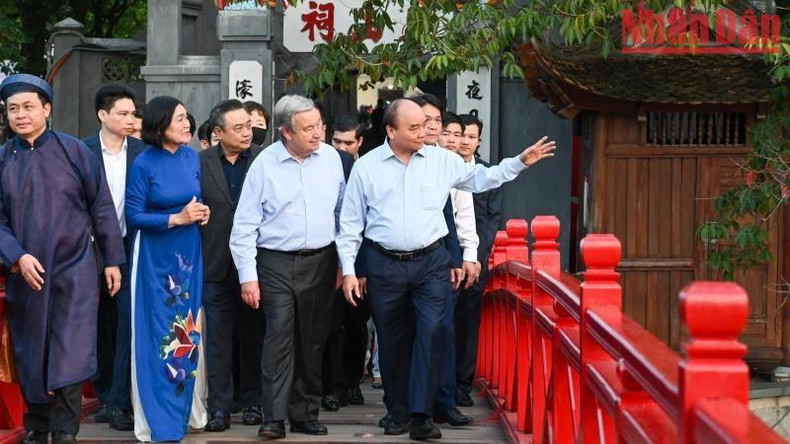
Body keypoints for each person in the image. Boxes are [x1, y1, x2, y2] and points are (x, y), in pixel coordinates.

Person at [337, 98, 556, 440]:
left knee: (432, 332)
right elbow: (351, 222)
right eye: (414, 127)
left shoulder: (442, 160)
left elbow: (483, 178)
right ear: (391, 130)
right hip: (384, 263)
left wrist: (519, 163)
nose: (424, 131)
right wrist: (349, 269)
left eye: (425, 125)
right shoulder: (366, 167)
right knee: (392, 340)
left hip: (431, 262)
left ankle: (422, 414)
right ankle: (397, 411)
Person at [0, 74, 125, 444]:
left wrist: (112, 260)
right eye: (12, 109)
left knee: (72, 347)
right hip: (27, 273)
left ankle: (65, 430)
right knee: (31, 350)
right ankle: (37, 424)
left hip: (75, 268)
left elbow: (101, 206)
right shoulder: (3, 159)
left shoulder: (74, 151)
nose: (21, 115)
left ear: (47, 109)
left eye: (28, 107)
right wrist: (17, 256)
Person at [230, 94, 346, 440]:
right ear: (285, 133)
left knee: (312, 340)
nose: (317, 134)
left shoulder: (331, 160)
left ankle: (305, 414)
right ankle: (274, 417)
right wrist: (248, 277)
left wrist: (344, 261)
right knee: (279, 337)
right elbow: (244, 225)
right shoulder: (265, 165)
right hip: (275, 261)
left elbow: (343, 213)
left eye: (319, 126)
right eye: (308, 128)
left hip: (321, 260)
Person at [127, 96, 210, 442]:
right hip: (155, 258)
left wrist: (200, 213)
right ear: (160, 125)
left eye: (186, 118)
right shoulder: (144, 163)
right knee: (158, 331)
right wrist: (176, 218)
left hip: (188, 254)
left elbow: (194, 199)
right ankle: (158, 420)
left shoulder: (192, 157)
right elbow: (133, 216)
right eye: (178, 119)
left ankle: (184, 409)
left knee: (188, 329)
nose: (187, 124)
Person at [82, 84, 147, 431]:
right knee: (97, 324)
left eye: (132, 113)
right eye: (122, 113)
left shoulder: (141, 152)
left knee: (126, 323)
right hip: (88, 250)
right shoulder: (81, 151)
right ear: (102, 115)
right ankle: (104, 395)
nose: (129, 119)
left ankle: (120, 401)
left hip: (129, 247)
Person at [199, 99, 264, 432]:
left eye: (249, 126)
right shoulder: (199, 163)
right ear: (218, 132)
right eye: (238, 128)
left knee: (254, 337)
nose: (246, 132)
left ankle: (254, 402)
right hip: (214, 264)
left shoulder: (265, 161)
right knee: (218, 341)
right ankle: (220, 408)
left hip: (255, 266)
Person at [455, 114, 501, 407]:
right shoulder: (442, 169)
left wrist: (478, 257)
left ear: (478, 140)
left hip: (476, 261)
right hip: (445, 260)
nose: (465, 142)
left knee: (468, 323)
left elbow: (492, 219)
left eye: (472, 137)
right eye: (462, 136)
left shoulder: (486, 173)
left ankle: (462, 383)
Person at [321, 115, 367, 411]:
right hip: (327, 258)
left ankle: (352, 382)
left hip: (361, 258)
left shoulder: (365, 167)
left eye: (347, 142)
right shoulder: (323, 163)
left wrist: (359, 267)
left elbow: (367, 220)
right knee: (331, 325)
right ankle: (333, 386)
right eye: (336, 141)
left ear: (359, 142)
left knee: (357, 324)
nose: (341, 147)